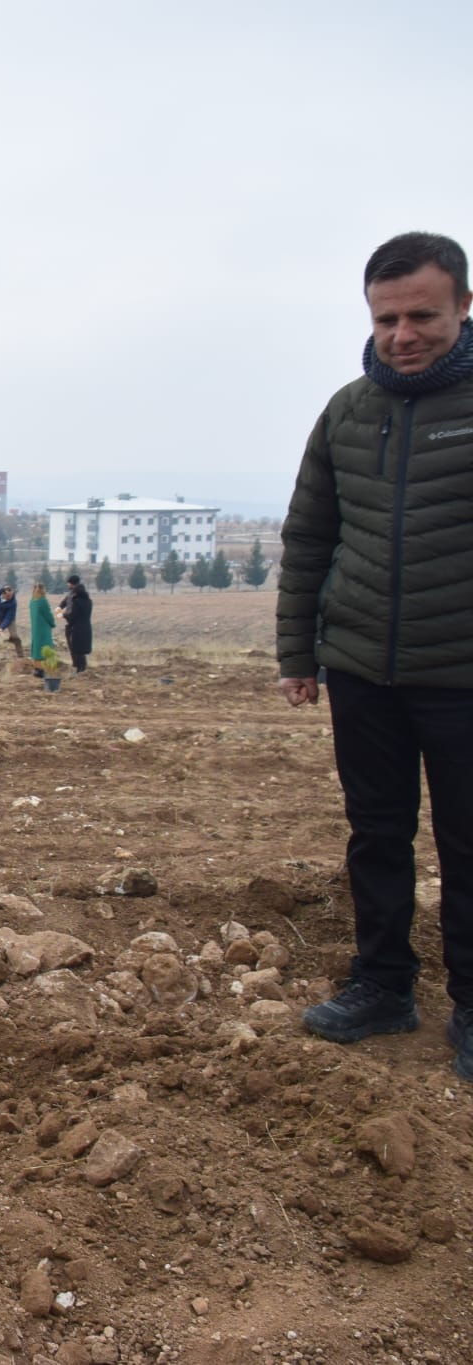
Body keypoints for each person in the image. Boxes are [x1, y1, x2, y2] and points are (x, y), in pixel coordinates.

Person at [280, 230, 473, 1079]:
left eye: (422, 314)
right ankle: (382, 984)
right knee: (377, 834)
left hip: (463, 674)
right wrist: (299, 652)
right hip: (364, 667)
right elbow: (311, 535)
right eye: (388, 317)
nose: (404, 333)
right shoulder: (348, 412)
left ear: (464, 306)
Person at [60, 575, 93, 672]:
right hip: (86, 627)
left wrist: (62, 615)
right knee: (81, 650)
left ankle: (78, 669)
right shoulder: (89, 601)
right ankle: (82, 668)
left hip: (75, 627)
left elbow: (72, 615)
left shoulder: (75, 599)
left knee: (75, 649)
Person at [27, 583, 55, 674]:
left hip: (35, 627)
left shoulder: (32, 601)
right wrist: (52, 623)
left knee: (36, 646)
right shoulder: (43, 601)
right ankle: (44, 669)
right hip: (44, 627)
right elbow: (48, 615)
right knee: (45, 647)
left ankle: (37, 668)